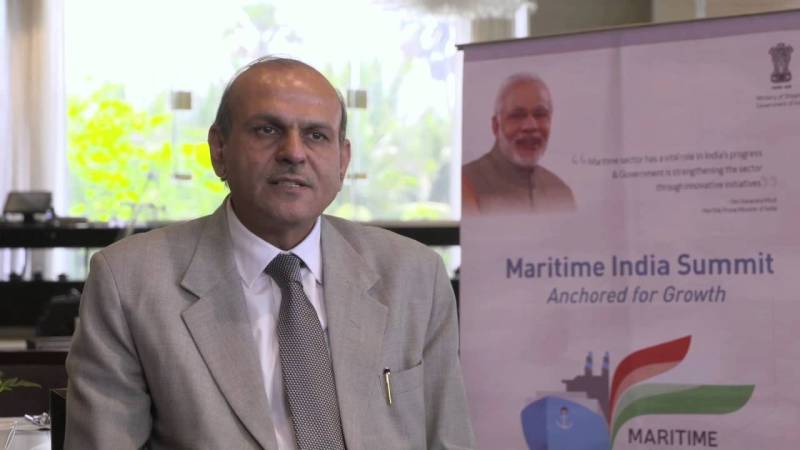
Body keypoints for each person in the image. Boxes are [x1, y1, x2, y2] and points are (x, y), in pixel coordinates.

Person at [65, 57, 475, 449]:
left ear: (343, 161)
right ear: (219, 149)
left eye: (316, 135)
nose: (294, 152)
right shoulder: (129, 282)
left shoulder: (415, 276)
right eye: (267, 130)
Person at [462, 73, 575, 215]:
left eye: (540, 115)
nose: (531, 126)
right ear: (496, 126)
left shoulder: (561, 193)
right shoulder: (466, 185)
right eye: (517, 116)